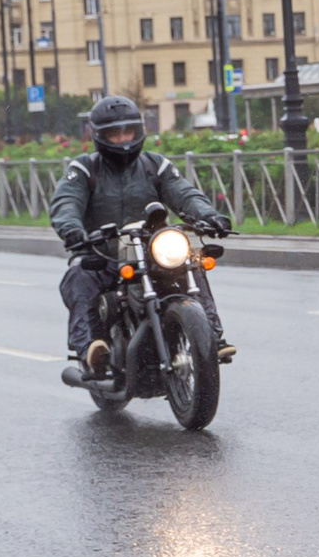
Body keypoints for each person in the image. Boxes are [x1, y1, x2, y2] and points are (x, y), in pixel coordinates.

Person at [48, 95, 233, 373]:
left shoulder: (154, 165)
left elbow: (184, 193)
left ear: (139, 131)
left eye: (128, 131)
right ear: (99, 136)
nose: (123, 139)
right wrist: (71, 229)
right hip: (103, 254)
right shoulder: (85, 169)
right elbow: (66, 202)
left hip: (153, 253)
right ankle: (91, 348)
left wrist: (209, 216)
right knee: (79, 277)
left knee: (192, 264)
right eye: (114, 133)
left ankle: (211, 337)